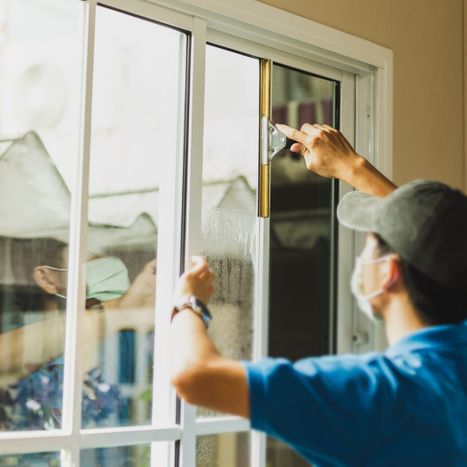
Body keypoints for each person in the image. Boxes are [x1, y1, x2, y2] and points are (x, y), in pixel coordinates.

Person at [169, 123, 467, 466]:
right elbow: (442, 245)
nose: (361, 256)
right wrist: (350, 166)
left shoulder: (371, 394)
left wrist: (188, 301)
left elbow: (196, 377)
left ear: (388, 273)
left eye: (369, 244)